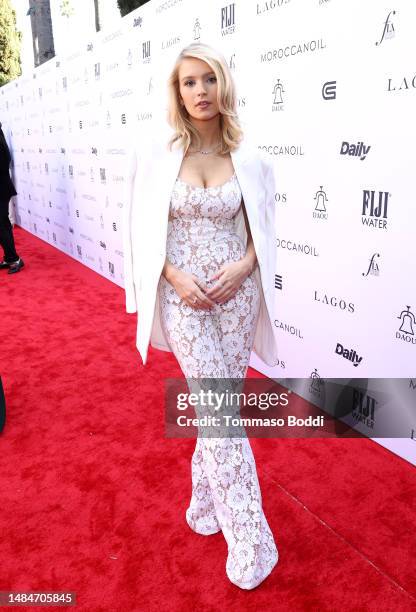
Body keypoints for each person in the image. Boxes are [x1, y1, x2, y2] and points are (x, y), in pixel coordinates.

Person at [123, 42, 279, 590]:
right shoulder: (159, 155)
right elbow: (140, 231)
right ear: (177, 91)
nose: (200, 91)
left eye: (208, 79)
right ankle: (252, 542)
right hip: (185, 299)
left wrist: (244, 268)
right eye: (189, 82)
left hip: (238, 300)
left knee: (221, 411)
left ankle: (203, 505)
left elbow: (268, 234)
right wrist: (172, 277)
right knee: (219, 416)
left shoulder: (252, 159)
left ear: (223, 85)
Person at [0, 121, 24, 274]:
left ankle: (14, 259)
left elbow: (4, 162)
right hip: (2, 187)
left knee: (1, 224)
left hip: (1, 188)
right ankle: (10, 258)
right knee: (3, 223)